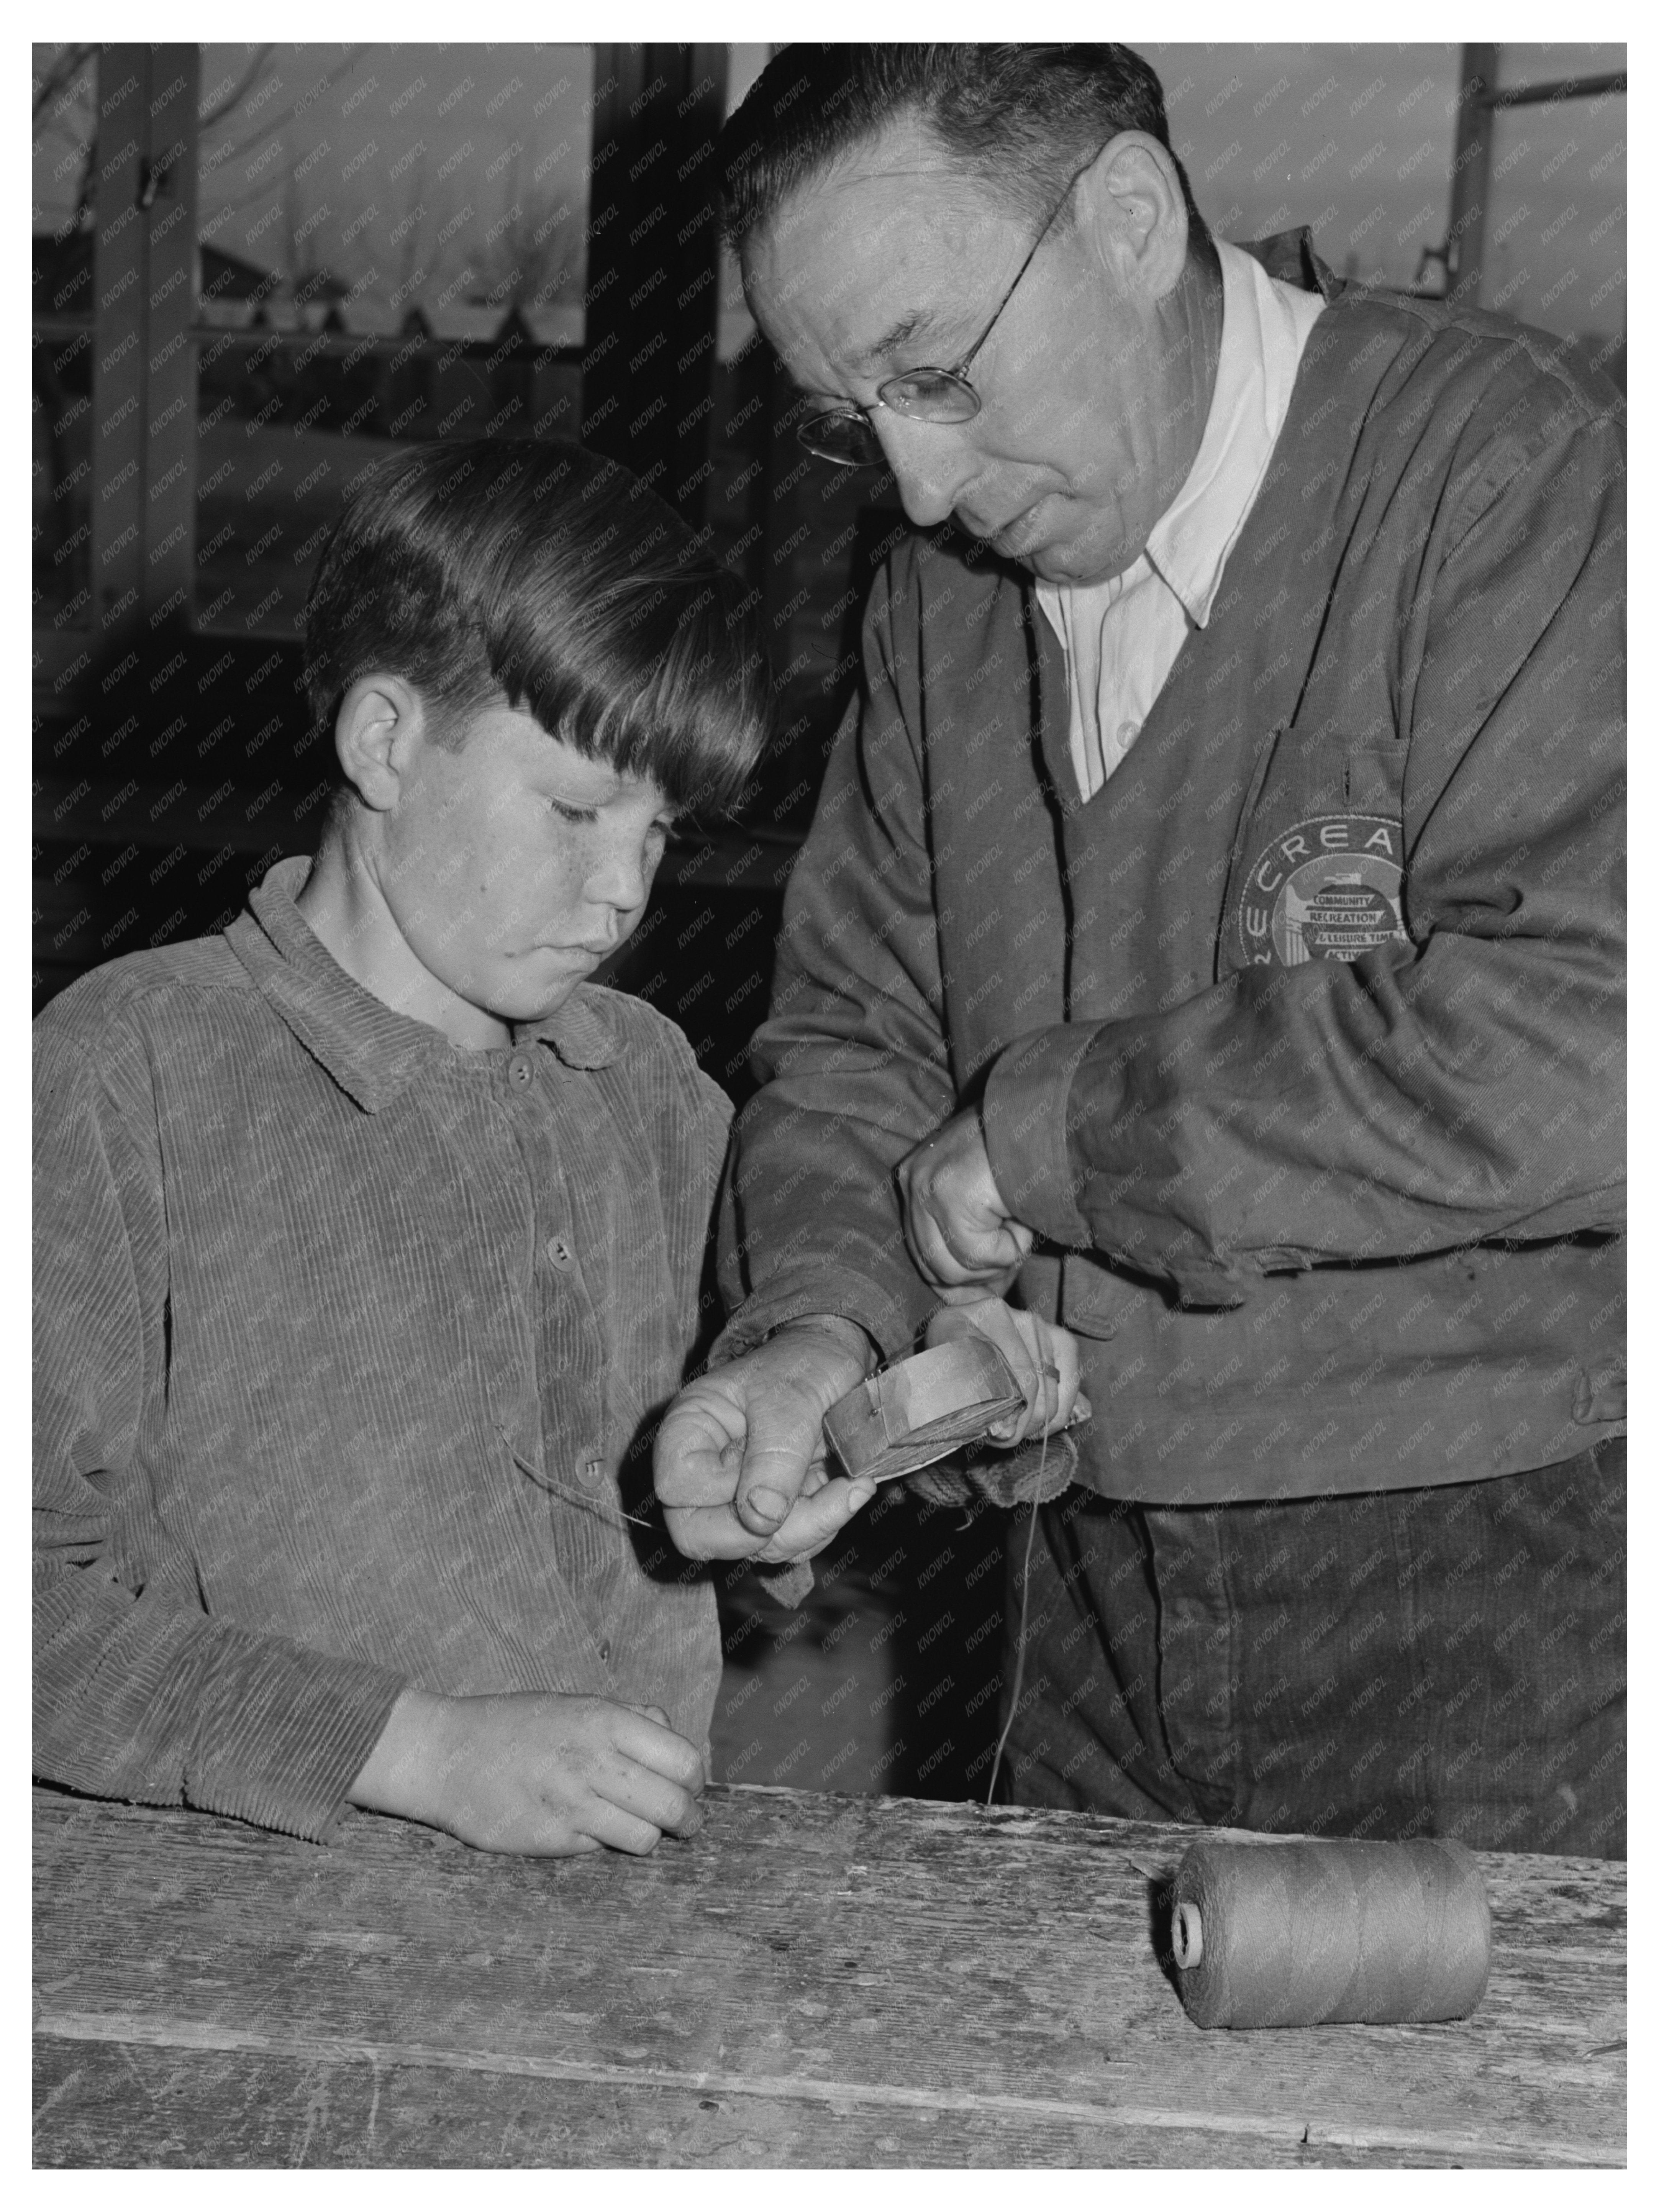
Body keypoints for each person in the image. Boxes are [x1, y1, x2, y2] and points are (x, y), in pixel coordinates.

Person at [655, 45, 1626, 1855]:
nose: (925, 487)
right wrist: (812, 1335)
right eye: (858, 416)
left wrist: (1069, 1134)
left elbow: (1595, 1034)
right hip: (1070, 1585)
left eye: (939, 372)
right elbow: (857, 1035)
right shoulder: (937, 608)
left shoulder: (1505, 473)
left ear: (1125, 218)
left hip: (1482, 1569)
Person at [34, 438, 775, 1856]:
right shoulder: (125, 1076)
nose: (622, 890)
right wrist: (413, 1748)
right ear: (383, 741)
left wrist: (842, 1433)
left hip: (627, 1916)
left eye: (658, 832)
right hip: (250, 1941)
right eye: (571, 810)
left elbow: (771, 1392)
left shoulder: (645, 1086)